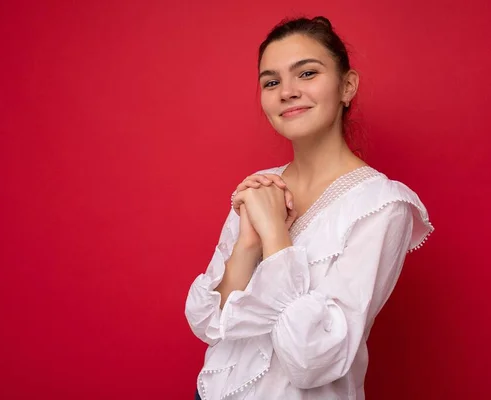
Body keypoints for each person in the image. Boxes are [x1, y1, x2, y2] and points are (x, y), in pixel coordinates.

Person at [185, 16, 433, 400]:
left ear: (347, 86)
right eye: (271, 82)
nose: (286, 91)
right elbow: (212, 325)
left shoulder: (382, 205)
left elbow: (311, 359)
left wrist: (275, 236)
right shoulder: (261, 187)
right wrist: (248, 245)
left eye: (307, 73)